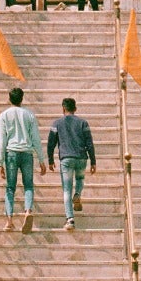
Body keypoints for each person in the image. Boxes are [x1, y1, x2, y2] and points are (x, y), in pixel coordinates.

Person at [0, 85, 45, 231]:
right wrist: (41, 159)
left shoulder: (4, 115)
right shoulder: (29, 115)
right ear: (22, 99)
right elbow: (36, 138)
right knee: (28, 185)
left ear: (9, 99)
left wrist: (0, 162)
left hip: (11, 152)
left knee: (10, 187)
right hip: (27, 153)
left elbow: (1, 140)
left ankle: (9, 221)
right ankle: (28, 211)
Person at [47, 95, 97, 230]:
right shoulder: (83, 123)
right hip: (81, 157)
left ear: (63, 109)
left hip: (66, 159)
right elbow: (89, 143)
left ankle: (70, 219)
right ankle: (78, 194)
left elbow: (51, 143)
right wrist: (93, 161)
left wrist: (50, 160)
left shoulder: (57, 123)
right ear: (75, 109)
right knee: (80, 179)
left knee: (66, 189)